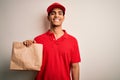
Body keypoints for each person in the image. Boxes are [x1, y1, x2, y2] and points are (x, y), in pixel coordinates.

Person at [23, 2, 81, 80]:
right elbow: (30, 64)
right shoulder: (38, 40)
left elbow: (75, 67)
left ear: (63, 17)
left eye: (60, 13)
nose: (56, 15)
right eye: (53, 13)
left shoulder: (72, 41)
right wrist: (27, 46)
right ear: (48, 17)